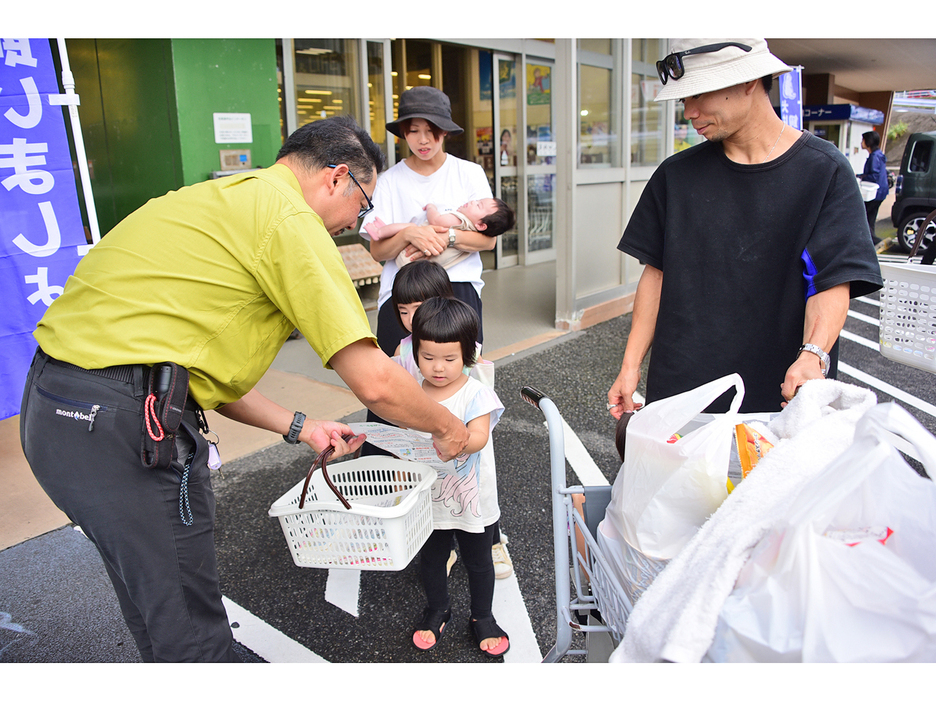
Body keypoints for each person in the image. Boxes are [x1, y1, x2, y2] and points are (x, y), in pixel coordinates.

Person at [18, 115, 470, 663]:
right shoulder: (290, 221)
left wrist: (301, 427)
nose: (357, 220)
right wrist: (450, 428)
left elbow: (186, 368)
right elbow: (375, 381)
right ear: (336, 178)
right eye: (364, 203)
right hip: (123, 425)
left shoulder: (212, 199)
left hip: (56, 413)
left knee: (159, 608)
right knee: (191, 635)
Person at [607, 39, 882, 417]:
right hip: (681, 391)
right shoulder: (676, 175)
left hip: (780, 391)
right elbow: (656, 275)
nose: (689, 111)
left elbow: (833, 278)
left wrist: (813, 355)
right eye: (684, 99)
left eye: (699, 94)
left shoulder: (824, 171)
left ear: (748, 81)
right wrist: (630, 366)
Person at [388, 261, 509, 578]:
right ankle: (444, 554)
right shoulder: (401, 354)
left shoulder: (463, 346)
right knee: (435, 511)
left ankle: (493, 542)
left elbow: (478, 390)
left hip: (464, 442)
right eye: (404, 310)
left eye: (421, 307)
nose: (413, 318)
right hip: (425, 452)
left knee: (475, 499)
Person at [407, 296, 510, 657]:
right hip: (428, 497)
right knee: (432, 559)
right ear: (415, 351)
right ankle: (437, 609)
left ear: (467, 354)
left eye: (449, 359)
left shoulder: (475, 393)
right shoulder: (412, 394)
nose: (437, 368)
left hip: (472, 499)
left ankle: (482, 616)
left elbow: (479, 437)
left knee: (478, 561)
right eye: (427, 357)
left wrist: (456, 439)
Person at [361, 86, 495, 357]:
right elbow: (377, 251)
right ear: (403, 133)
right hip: (403, 292)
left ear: (444, 131)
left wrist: (449, 238)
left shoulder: (469, 173)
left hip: (457, 285)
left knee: (461, 377)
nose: (422, 140)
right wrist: (411, 233)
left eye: (430, 130)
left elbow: (488, 239)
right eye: (413, 131)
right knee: (398, 379)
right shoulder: (389, 181)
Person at [364, 197, 515, 270]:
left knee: (410, 226)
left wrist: (431, 207)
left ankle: (380, 231)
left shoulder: (460, 220)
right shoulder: (472, 238)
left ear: (481, 225)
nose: (473, 201)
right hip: (420, 267)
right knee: (409, 231)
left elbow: (436, 220)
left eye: (478, 205)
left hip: (408, 256)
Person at [859, 130, 889, 244]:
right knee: (870, 217)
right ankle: (872, 240)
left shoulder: (874, 156)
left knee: (865, 217)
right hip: (881, 192)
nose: (861, 143)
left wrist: (862, 177)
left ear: (868, 141)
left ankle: (873, 240)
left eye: (863, 140)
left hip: (874, 192)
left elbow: (874, 175)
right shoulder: (879, 154)